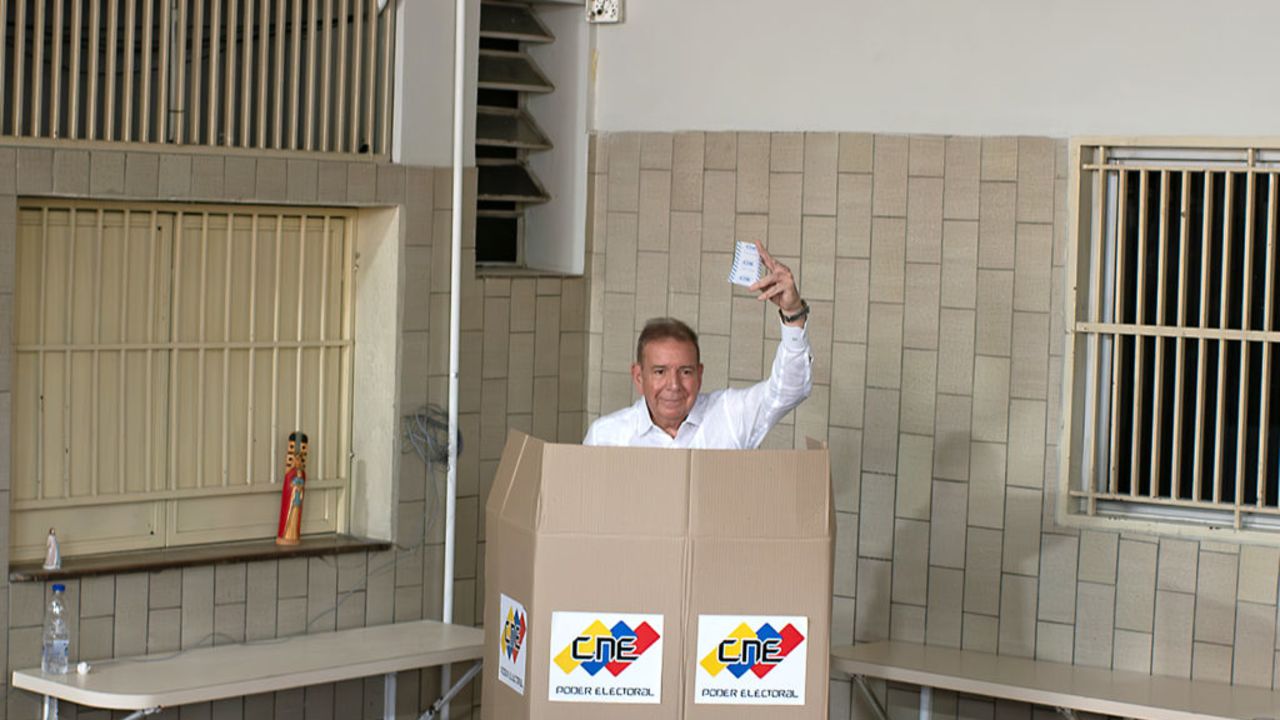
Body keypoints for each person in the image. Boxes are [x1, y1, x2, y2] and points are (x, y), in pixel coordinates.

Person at [584, 241, 812, 449]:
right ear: (638, 377)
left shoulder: (728, 416)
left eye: (685, 371)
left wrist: (792, 313)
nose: (674, 385)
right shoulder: (605, 437)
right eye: (660, 371)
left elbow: (787, 391)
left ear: (699, 374)